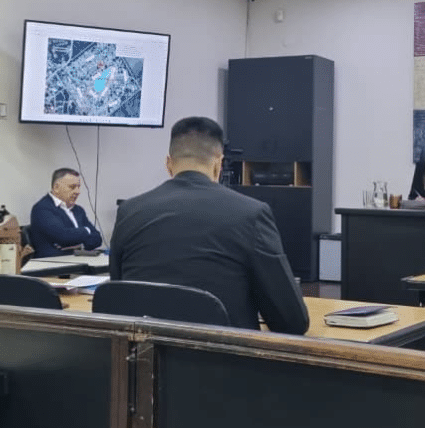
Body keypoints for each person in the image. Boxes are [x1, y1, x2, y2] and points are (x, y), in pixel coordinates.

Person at [109, 117, 309, 334]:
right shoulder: (251, 214)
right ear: (218, 164)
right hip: (222, 353)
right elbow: (291, 322)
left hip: (144, 352)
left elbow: (120, 295)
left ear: (168, 164)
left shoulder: (129, 211)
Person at [29, 168, 102, 259]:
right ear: (56, 188)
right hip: (54, 263)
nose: (78, 192)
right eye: (72, 187)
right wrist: (86, 230)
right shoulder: (42, 209)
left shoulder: (78, 210)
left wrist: (79, 244)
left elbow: (97, 239)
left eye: (78, 187)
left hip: (80, 260)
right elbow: (63, 237)